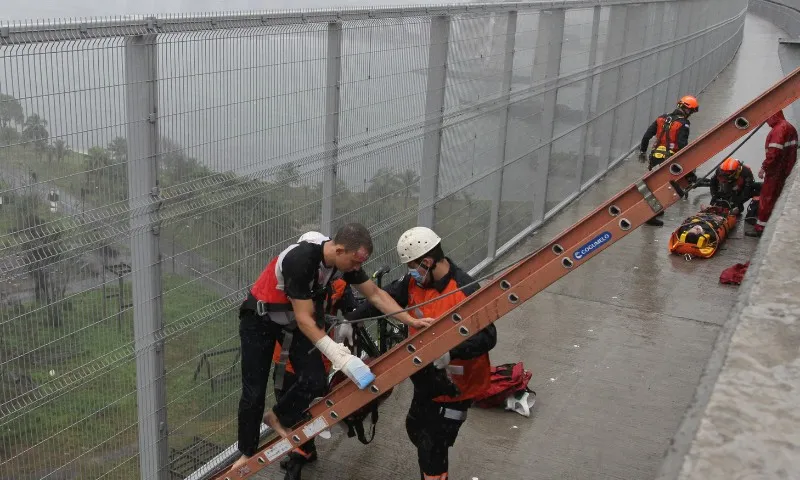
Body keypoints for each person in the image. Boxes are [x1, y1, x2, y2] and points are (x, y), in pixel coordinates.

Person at [231, 224, 434, 473]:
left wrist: (410, 320)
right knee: (254, 391)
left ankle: (279, 417)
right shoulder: (301, 260)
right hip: (259, 321)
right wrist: (341, 357)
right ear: (339, 250)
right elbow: (306, 319)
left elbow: (375, 294)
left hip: (291, 322)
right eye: (355, 261)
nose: (358, 268)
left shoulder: (340, 263)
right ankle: (246, 451)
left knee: (315, 380)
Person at [345, 227, 497, 480]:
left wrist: (450, 350)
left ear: (427, 262)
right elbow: (386, 298)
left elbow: (488, 336)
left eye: (413, 266)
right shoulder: (415, 283)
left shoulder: (464, 291)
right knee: (416, 428)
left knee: (433, 444)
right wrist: (352, 319)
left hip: (455, 386)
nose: (411, 273)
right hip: (426, 376)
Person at [271, 274, 357, 480]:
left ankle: (296, 463)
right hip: (304, 357)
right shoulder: (335, 284)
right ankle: (306, 450)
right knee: (302, 408)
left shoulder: (294, 282)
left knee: (299, 411)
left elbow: (352, 311)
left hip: (300, 358)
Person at [638, 95, 700, 226]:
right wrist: (689, 169)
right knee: (666, 187)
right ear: (688, 110)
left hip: (655, 158)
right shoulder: (683, 123)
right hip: (670, 159)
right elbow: (682, 146)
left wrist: (643, 151)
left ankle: (656, 209)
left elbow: (646, 136)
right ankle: (650, 216)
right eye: (692, 112)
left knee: (654, 185)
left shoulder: (661, 118)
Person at [746, 110, 797, 237]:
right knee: (776, 197)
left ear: (773, 115)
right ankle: (770, 225)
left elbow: (773, 153)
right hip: (785, 170)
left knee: (766, 198)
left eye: (767, 118)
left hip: (775, 171)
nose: (767, 121)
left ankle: (760, 228)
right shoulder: (790, 127)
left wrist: (764, 167)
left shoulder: (779, 129)